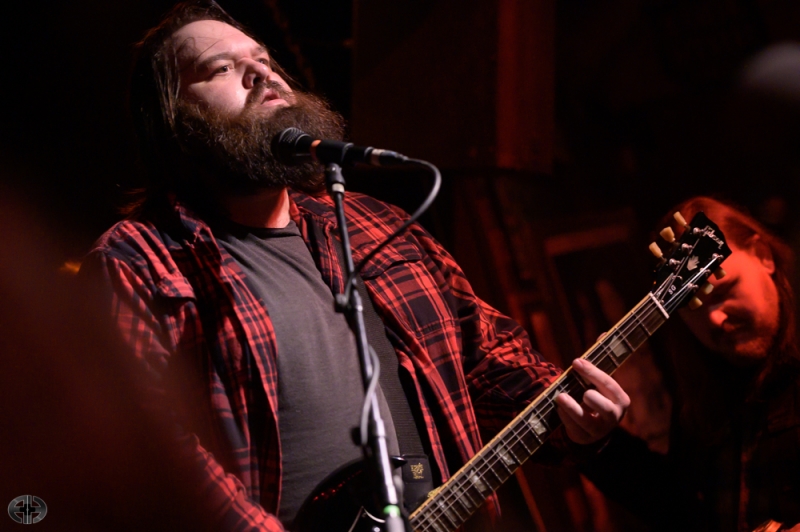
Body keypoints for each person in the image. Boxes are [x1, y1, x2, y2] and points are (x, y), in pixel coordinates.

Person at [79, 1, 629, 530]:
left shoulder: (375, 226)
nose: (260, 74)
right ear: (174, 121)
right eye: (221, 68)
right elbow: (146, 439)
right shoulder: (138, 261)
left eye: (263, 60)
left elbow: (485, 356)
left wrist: (574, 419)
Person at [581, 196, 800, 532]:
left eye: (723, 291)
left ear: (763, 255)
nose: (714, 318)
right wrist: (598, 442)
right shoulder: (703, 396)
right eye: (693, 306)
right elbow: (679, 510)